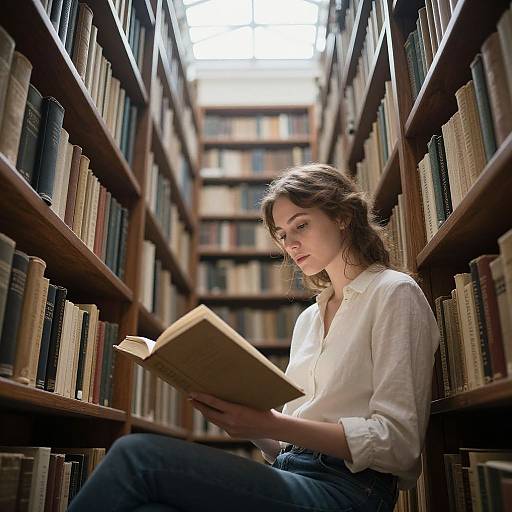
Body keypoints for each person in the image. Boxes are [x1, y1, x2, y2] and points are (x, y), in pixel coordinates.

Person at [69, 163, 440, 512]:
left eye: (301, 225)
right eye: (282, 235)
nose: (290, 244)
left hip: (353, 491)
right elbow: (286, 443)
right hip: (291, 470)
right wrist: (245, 421)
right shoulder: (309, 319)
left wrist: (271, 424)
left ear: (343, 216)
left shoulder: (394, 293)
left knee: (137, 456)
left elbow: (399, 444)